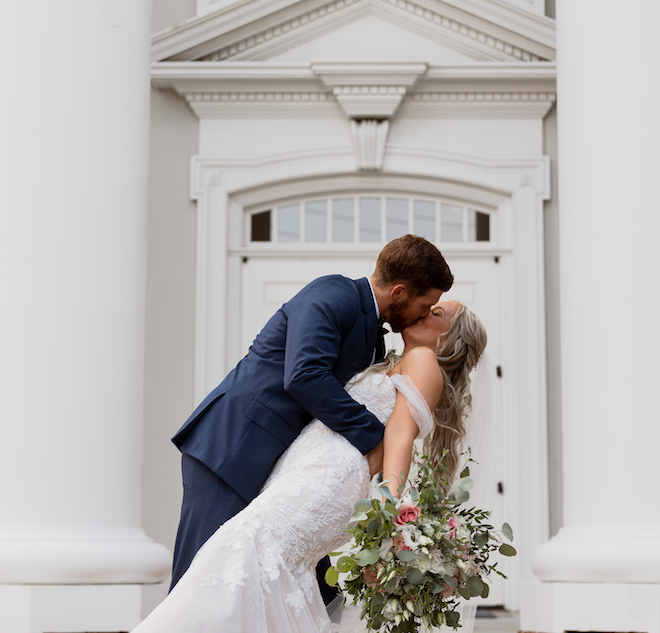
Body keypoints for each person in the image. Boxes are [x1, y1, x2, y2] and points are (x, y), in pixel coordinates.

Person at [40, 301, 568, 633]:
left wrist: (390, 503)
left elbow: (400, 436)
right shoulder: (397, 355)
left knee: (235, 559)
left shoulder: (426, 360)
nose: (429, 308)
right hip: (309, 470)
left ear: (448, 336)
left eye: (441, 310)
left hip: (329, 483)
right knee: (252, 593)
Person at [169, 234, 454, 594]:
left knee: (305, 593)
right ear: (399, 293)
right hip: (233, 447)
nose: (425, 314)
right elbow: (304, 376)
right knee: (199, 582)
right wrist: (373, 438)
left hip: (287, 468)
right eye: (425, 305)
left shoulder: (377, 339)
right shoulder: (332, 293)